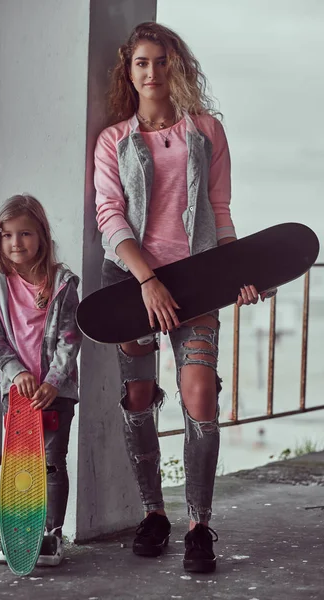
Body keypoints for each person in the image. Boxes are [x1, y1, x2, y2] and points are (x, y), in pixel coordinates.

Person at [94, 22, 275, 573]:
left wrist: (237, 272)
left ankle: (199, 522)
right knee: (140, 395)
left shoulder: (206, 132)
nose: (152, 72)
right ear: (130, 72)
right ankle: (154, 513)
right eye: (142, 63)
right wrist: (147, 280)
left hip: (196, 279)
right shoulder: (113, 141)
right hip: (131, 282)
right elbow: (110, 216)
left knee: (199, 394)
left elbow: (220, 212)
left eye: (162, 61)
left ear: (178, 66)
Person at [0, 194, 81, 566]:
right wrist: (16, 373)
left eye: (24, 233)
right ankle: (20, 533)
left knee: (52, 462)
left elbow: (71, 337)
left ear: (41, 235)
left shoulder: (63, 283)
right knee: (18, 465)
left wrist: (53, 380)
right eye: (7, 235)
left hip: (54, 392)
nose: (15, 243)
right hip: (17, 393)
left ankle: (51, 536)